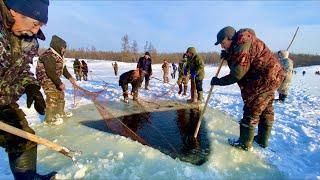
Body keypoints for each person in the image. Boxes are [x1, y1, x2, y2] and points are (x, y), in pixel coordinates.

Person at [0, 0, 57, 179]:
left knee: (25, 139)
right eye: (35, 23)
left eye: (40, 25)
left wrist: (32, 86)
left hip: (3, 101)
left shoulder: (29, 41)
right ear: (14, 11)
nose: (35, 31)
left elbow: (23, 69)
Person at [211, 26, 284, 150]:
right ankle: (261, 140)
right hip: (273, 77)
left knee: (252, 109)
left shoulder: (242, 45)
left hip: (264, 80)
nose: (222, 46)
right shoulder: (241, 42)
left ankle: (244, 144)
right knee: (266, 108)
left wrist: (219, 81)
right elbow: (243, 60)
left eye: (223, 43)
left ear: (230, 39)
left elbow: (238, 73)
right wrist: (229, 55)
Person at [36, 35, 77, 125]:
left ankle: (59, 113)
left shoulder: (59, 56)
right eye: (63, 47)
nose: (64, 49)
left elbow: (63, 69)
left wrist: (70, 77)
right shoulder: (48, 55)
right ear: (57, 46)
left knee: (61, 94)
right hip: (46, 79)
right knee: (52, 96)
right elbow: (50, 72)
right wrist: (59, 83)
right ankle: (49, 118)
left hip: (54, 78)